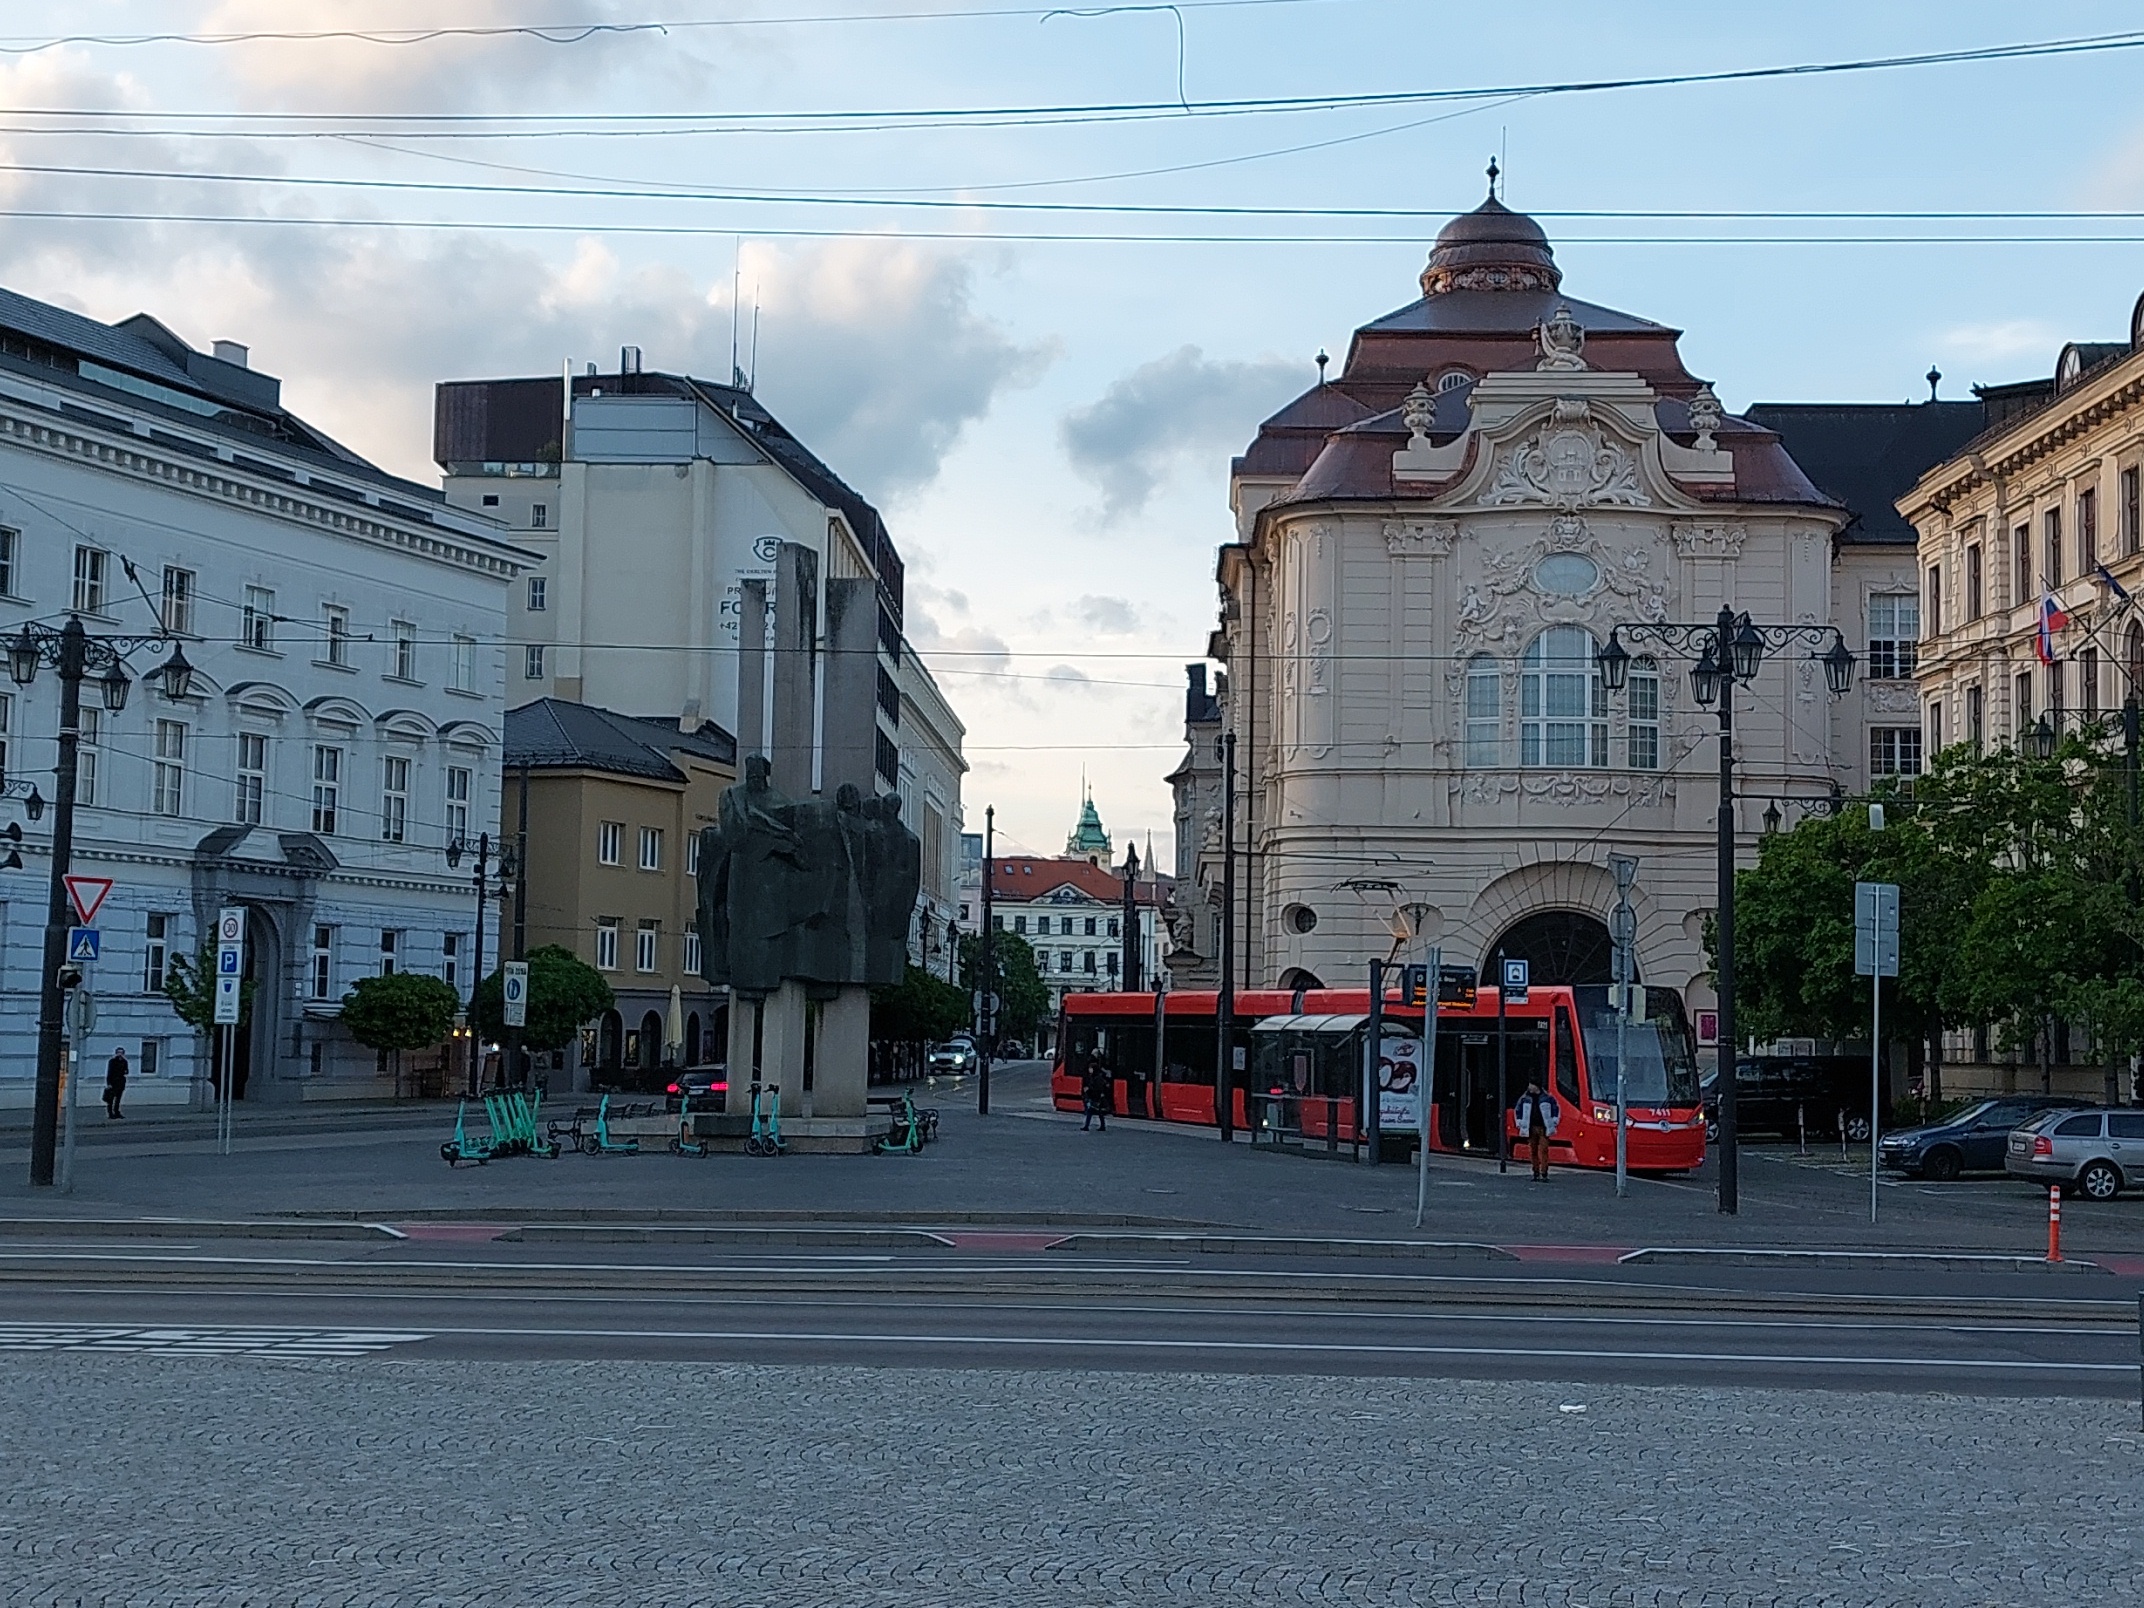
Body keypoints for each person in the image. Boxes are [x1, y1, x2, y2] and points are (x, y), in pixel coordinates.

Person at [1514, 1080, 1559, 1180]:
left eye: (1531, 1085)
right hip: (1532, 1127)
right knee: (1534, 1151)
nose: (1529, 1087)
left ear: (1536, 1086)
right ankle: (1537, 1172)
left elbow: (1556, 1109)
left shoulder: (1529, 1098)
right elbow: (1518, 1110)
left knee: (1543, 1150)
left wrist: (1554, 1121)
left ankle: (1543, 1172)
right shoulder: (1528, 1098)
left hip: (1542, 1127)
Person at [1081, 1060, 1111, 1132]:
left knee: (1091, 1112)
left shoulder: (1097, 1078)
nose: (1089, 1069)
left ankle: (1087, 1126)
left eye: (1090, 1068)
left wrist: (1088, 1090)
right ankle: (1100, 1126)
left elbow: (1097, 1088)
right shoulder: (1096, 1077)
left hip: (1096, 1098)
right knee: (1096, 1112)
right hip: (1096, 1098)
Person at [103, 1046, 129, 1120]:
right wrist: (108, 1083)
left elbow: (126, 1071)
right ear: (116, 1053)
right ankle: (110, 1113)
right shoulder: (112, 1061)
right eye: (118, 1052)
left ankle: (117, 1112)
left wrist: (125, 1071)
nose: (120, 1054)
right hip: (113, 1082)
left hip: (121, 1083)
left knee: (118, 1099)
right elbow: (109, 1072)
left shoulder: (124, 1061)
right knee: (110, 1099)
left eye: (121, 1053)